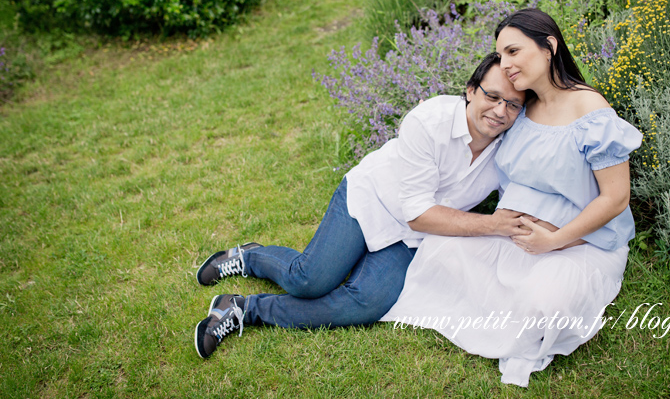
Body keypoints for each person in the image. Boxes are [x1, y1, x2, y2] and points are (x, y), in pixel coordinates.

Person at [193, 52, 533, 359]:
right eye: (492, 96)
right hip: (373, 199)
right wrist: (493, 224)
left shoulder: (511, 148)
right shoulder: (429, 121)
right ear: (472, 89)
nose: (501, 111)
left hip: (414, 236)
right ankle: (248, 256)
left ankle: (242, 309)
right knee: (308, 281)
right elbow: (418, 212)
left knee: (367, 303)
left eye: (513, 104)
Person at [381, 8, 643, 387]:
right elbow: (480, 120)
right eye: (501, 55)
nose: (505, 64)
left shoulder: (591, 111)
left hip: (578, 242)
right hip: (513, 235)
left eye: (513, 51)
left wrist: (555, 239)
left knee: (544, 302)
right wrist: (431, 116)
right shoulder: (522, 107)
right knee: (440, 250)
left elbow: (617, 198)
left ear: (549, 46)